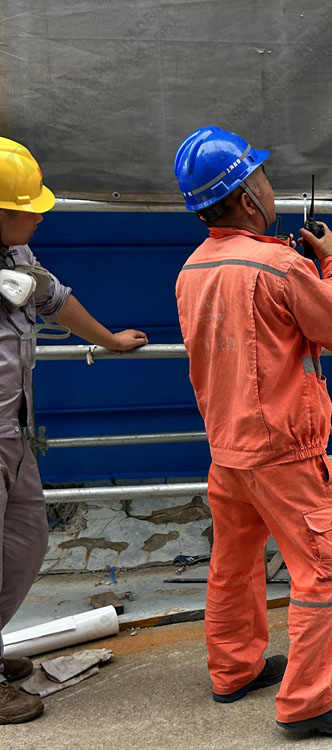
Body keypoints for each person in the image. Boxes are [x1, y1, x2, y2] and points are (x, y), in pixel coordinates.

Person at [172, 126, 332, 736]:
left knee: (233, 562)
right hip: (285, 451)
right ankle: (309, 701)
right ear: (246, 196)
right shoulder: (281, 266)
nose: (269, 185)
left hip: (228, 449)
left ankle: (234, 668)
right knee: (326, 564)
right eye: (260, 176)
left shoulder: (192, 269)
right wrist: (329, 261)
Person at [0, 137, 147, 724]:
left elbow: (54, 298)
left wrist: (109, 340)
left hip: (14, 430)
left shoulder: (16, 256)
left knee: (24, 542)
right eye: (27, 207)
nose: (39, 215)